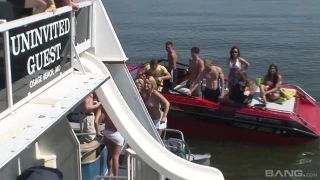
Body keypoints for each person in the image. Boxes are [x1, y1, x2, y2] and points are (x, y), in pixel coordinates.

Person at [94, 107, 124, 177]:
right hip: (117, 134)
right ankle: (116, 177)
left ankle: (109, 174)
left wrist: (97, 131)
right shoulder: (118, 104)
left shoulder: (103, 105)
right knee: (115, 157)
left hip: (107, 133)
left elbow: (96, 121)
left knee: (110, 154)